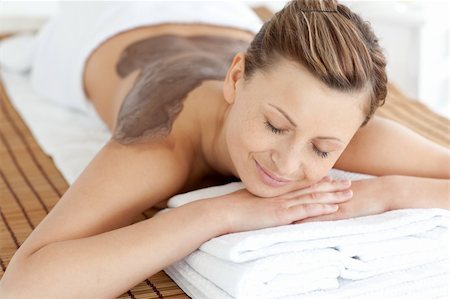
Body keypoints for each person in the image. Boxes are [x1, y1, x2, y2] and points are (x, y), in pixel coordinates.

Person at [1, 1, 448, 298]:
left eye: (322, 150)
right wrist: (220, 213)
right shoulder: (161, 138)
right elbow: (24, 286)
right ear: (236, 79)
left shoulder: (331, 111)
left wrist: (385, 193)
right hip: (100, 20)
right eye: (274, 125)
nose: (289, 164)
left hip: (223, 11)